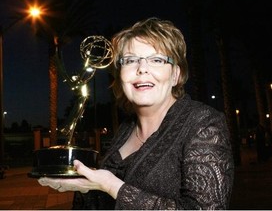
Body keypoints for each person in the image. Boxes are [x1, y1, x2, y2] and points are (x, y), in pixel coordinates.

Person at [38, 17, 234, 210]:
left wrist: (112, 186)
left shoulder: (204, 124)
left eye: (157, 59)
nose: (142, 69)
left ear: (176, 75)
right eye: (131, 60)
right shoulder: (125, 129)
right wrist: (86, 186)